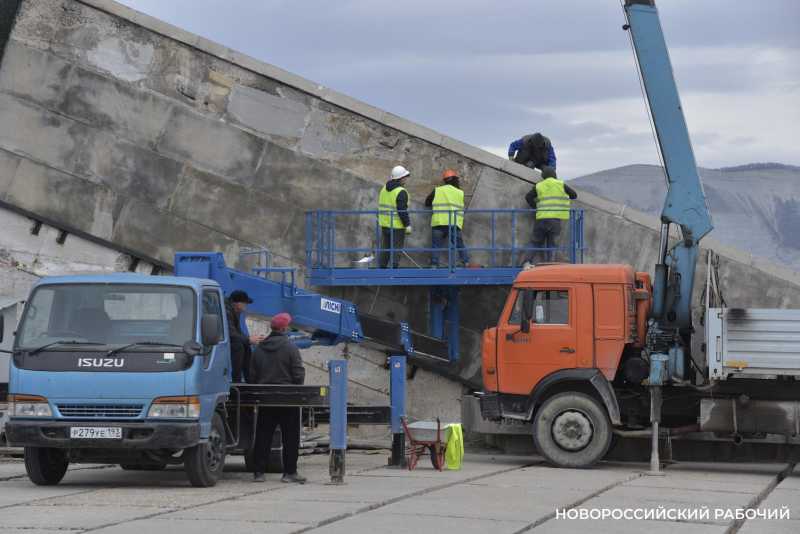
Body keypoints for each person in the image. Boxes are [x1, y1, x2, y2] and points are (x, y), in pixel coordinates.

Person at [250, 312, 307, 483]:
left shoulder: (259, 348)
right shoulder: (291, 348)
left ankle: (259, 473)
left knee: (263, 436)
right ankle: (289, 473)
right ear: (284, 328)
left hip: (266, 398)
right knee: (290, 437)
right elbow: (298, 374)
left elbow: (252, 375)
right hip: (288, 398)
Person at [523, 166, 577, 266]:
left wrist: (536, 206)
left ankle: (527, 262)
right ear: (554, 175)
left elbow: (528, 197)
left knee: (535, 242)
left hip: (541, 218)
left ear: (544, 176)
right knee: (552, 244)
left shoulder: (539, 185)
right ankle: (550, 265)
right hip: (555, 219)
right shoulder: (560, 184)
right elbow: (574, 195)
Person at [425, 169, 471, 267]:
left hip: (439, 222)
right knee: (459, 244)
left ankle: (434, 265)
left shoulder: (437, 190)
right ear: (455, 180)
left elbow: (427, 202)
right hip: (454, 223)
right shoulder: (460, 192)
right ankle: (466, 262)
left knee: (436, 245)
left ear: (444, 180)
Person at [225, 290, 264, 383]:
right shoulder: (227, 312)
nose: (246, 307)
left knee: (246, 345)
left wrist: (249, 339)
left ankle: (249, 379)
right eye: (245, 304)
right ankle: (237, 380)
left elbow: (238, 331)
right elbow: (231, 334)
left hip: (233, 340)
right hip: (227, 343)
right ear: (238, 304)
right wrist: (248, 339)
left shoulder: (235, 311)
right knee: (238, 345)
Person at [378, 165, 412, 268]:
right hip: (397, 226)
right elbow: (402, 210)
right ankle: (394, 269)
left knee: (386, 247)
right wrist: (407, 224)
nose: (406, 179)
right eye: (405, 177)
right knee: (397, 248)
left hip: (385, 225)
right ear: (400, 178)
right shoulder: (401, 191)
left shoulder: (384, 188)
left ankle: (382, 268)